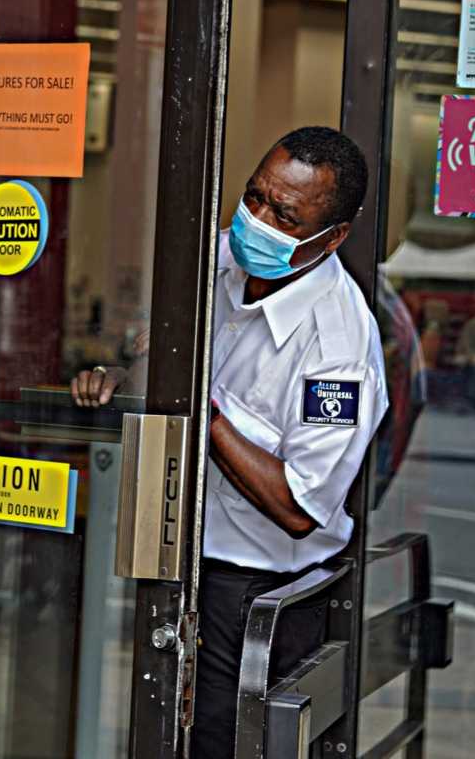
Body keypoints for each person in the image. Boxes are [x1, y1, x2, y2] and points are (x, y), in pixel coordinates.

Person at [71, 127, 388, 759]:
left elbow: (299, 506)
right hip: (170, 563)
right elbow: (163, 363)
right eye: (255, 198)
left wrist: (203, 408)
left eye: (285, 216)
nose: (258, 221)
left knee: (218, 743)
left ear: (334, 237)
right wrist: (125, 380)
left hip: (255, 597)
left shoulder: (338, 349)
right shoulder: (218, 259)